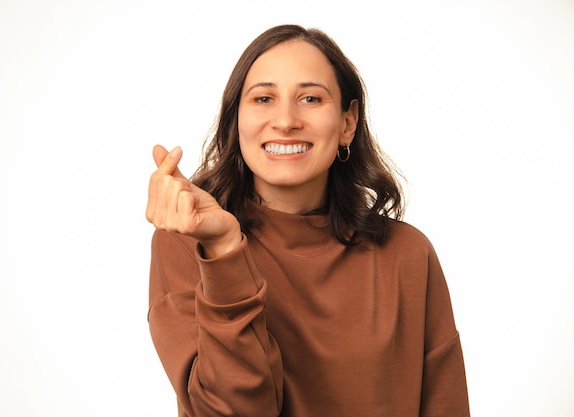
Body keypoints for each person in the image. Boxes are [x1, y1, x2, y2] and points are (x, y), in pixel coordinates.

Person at [145, 24, 470, 417]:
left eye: (311, 98)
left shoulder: (408, 255)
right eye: (264, 98)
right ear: (236, 121)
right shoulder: (186, 244)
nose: (285, 120)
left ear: (347, 122)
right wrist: (224, 251)